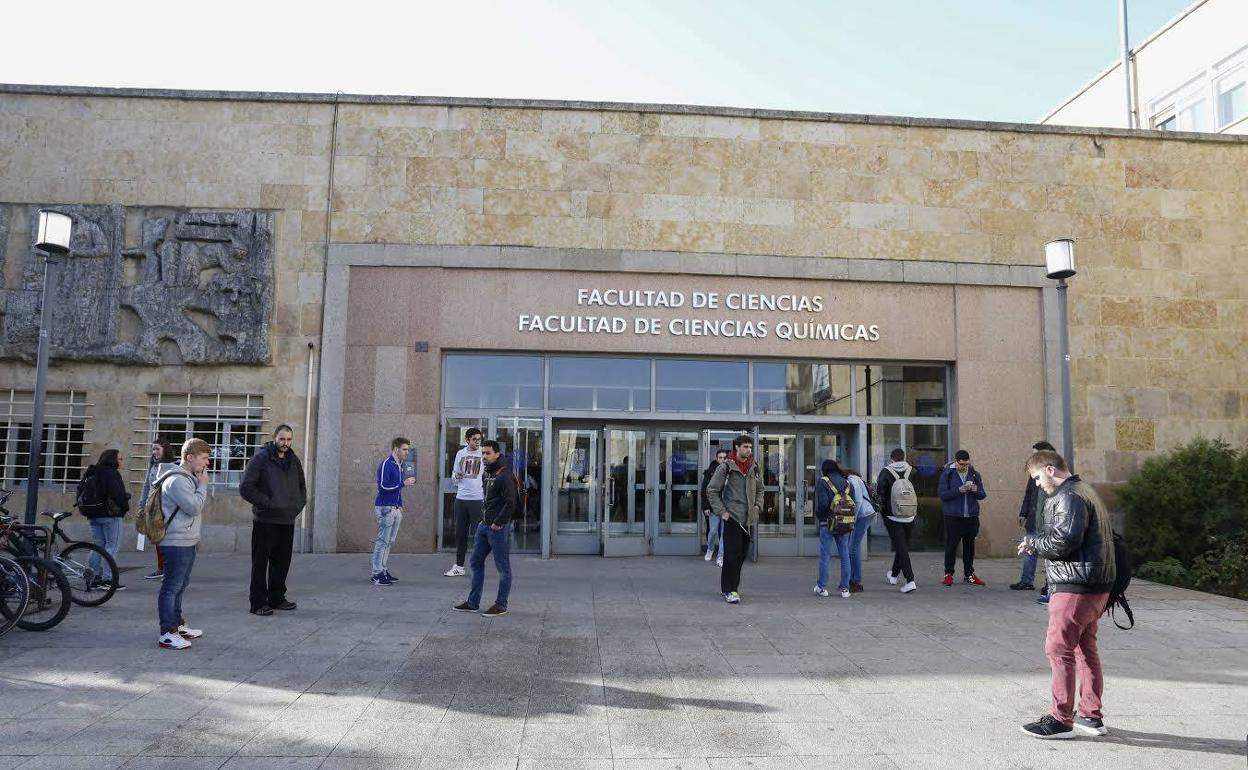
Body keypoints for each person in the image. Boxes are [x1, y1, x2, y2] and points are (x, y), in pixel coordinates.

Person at [1018, 449, 1115, 739]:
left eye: (1036, 478)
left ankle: (1060, 720)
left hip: (1076, 585)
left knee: (1058, 649)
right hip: (1094, 584)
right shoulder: (1085, 490)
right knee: (1085, 650)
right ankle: (1090, 715)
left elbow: (1064, 542)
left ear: (1050, 469)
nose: (1037, 485)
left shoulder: (1069, 495)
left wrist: (1033, 542)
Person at [240, 424, 307, 616]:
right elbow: (246, 487)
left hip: (287, 520)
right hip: (265, 521)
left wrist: (297, 506)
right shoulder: (261, 458)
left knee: (282, 562)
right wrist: (268, 504)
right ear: (275, 438)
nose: (285, 443)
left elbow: (302, 486)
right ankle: (258, 603)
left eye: (288, 439)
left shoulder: (293, 460)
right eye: (282, 439)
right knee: (260, 563)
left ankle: (277, 598)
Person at [156, 438, 210, 650]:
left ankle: (176, 625)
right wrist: (203, 486)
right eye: (204, 458)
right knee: (171, 587)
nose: (206, 463)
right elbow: (193, 507)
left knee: (180, 585)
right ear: (190, 457)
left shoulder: (187, 478)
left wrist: (198, 483)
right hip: (175, 541)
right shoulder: (177, 480)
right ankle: (167, 633)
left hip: (185, 540)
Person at [454, 440, 516, 617]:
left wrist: (498, 522)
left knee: (503, 567)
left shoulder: (504, 475)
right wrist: (483, 520)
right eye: (482, 453)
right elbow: (488, 500)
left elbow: (511, 502)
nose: (484, 457)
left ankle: (501, 605)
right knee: (475, 561)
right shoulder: (487, 474)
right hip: (484, 526)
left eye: (488, 453)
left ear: (497, 454)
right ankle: (473, 602)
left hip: (498, 528)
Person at [706, 435, 763, 604]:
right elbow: (711, 490)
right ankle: (729, 589)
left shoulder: (754, 467)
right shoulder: (726, 467)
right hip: (732, 517)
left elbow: (761, 490)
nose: (749, 450)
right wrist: (722, 512)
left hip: (748, 519)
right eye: (745, 447)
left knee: (741, 554)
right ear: (737, 448)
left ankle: (733, 587)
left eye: (750, 447)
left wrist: (757, 506)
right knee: (731, 555)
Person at [79, 449, 131, 592]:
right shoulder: (112, 474)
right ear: (112, 459)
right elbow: (118, 495)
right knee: (112, 547)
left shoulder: (92, 472)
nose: (121, 461)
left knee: (97, 546)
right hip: (111, 516)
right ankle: (108, 579)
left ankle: (93, 578)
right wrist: (124, 507)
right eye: (119, 459)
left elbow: (80, 491)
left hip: (93, 515)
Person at [938, 449, 988, 586]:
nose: (963, 467)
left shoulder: (974, 474)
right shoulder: (948, 474)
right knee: (951, 545)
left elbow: (983, 494)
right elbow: (942, 495)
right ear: (956, 462)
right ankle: (948, 573)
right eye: (961, 464)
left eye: (966, 464)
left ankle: (969, 574)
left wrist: (975, 490)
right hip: (953, 516)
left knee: (969, 546)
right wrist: (958, 490)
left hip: (971, 516)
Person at [1012, 440, 1055, 592]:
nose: (1033, 457)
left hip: (1048, 520)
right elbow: (1029, 493)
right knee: (1029, 549)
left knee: (1049, 553)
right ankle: (1026, 581)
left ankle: (1050, 584)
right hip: (1033, 517)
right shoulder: (1034, 472)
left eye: (1036, 454)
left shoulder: (1055, 471)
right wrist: (1023, 513)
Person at [372, 437, 415, 586]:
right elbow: (382, 487)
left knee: (389, 542)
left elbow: (396, 490)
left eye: (408, 450)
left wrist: (400, 504)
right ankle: (377, 574)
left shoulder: (400, 465)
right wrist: (403, 483)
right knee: (382, 542)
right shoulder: (386, 464)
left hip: (395, 508)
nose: (407, 452)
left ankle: (383, 570)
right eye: (404, 449)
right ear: (396, 449)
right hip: (385, 507)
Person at [877, 448, 918, 594]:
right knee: (903, 545)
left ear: (892, 459)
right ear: (903, 457)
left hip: (892, 515)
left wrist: (881, 511)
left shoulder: (885, 472)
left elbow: (880, 494)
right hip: (910, 513)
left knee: (901, 547)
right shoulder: (912, 471)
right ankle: (894, 575)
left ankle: (910, 580)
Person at [445, 428, 484, 577]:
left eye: (479, 439)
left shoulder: (483, 453)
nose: (477, 442)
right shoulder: (460, 454)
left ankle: (478, 566)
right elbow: (454, 476)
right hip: (461, 499)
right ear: (467, 440)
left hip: (477, 499)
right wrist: (457, 476)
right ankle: (459, 566)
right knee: (460, 534)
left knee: (479, 535)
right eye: (474, 439)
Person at [813, 460, 852, 599]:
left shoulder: (823, 482)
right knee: (845, 555)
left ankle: (822, 587)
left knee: (825, 555)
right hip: (844, 523)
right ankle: (845, 589)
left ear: (824, 470)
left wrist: (819, 516)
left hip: (827, 523)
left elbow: (823, 504)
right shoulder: (847, 482)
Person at [138, 439, 175, 580]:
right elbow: (146, 487)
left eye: (157, 449)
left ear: (165, 449)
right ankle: (161, 568)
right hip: (153, 508)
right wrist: (142, 506)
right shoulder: (152, 466)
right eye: (153, 449)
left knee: (168, 540)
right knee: (157, 539)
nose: (154, 452)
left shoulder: (173, 466)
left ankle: (169, 570)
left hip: (167, 508)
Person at [842, 462, 876, 593]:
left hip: (863, 514)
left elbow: (858, 500)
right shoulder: (854, 478)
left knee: (853, 548)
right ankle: (854, 579)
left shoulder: (851, 480)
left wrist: (853, 519)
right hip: (865, 514)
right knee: (853, 547)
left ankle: (855, 580)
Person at [701, 448, 729, 566]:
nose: (722, 460)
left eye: (724, 458)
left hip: (727, 508)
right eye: (720, 458)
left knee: (724, 534)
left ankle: (721, 556)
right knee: (712, 531)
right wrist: (705, 506)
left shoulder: (731, 472)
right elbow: (704, 491)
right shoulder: (710, 472)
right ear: (716, 459)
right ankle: (710, 549)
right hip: (713, 508)